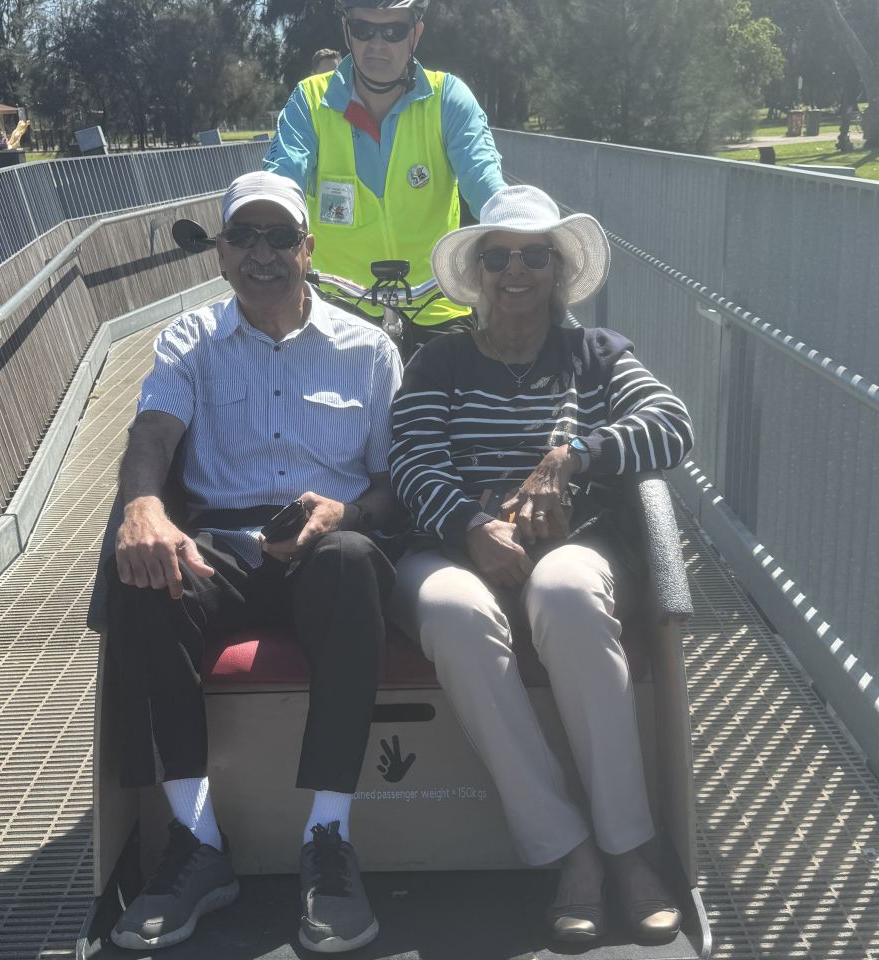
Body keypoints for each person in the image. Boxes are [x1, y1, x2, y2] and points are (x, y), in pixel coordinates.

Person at [388, 185, 695, 945]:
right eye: (498, 258)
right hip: (451, 544)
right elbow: (412, 461)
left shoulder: (597, 355)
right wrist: (471, 526)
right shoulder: (441, 360)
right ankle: (571, 850)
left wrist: (574, 455)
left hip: (572, 544)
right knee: (457, 614)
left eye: (534, 256)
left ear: (559, 270)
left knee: (566, 593)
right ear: (480, 273)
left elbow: (672, 425)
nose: (514, 271)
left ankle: (630, 847)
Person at [104, 171, 401, 954]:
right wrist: (142, 508)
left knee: (351, 561)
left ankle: (327, 840)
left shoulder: (369, 351)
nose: (261, 253)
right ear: (221, 252)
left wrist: (348, 513)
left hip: (323, 546)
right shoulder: (188, 341)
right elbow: (152, 437)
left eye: (279, 237)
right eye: (244, 236)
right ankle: (197, 841)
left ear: (309, 249)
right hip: (225, 545)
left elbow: (390, 485)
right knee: (141, 573)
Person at [265, 0, 506, 343]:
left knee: (452, 389)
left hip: (437, 303)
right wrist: (255, 231)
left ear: (416, 34)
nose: (377, 44)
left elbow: (486, 183)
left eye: (394, 31)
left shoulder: (448, 98)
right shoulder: (309, 101)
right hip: (338, 307)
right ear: (347, 31)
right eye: (364, 29)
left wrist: (522, 234)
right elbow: (280, 186)